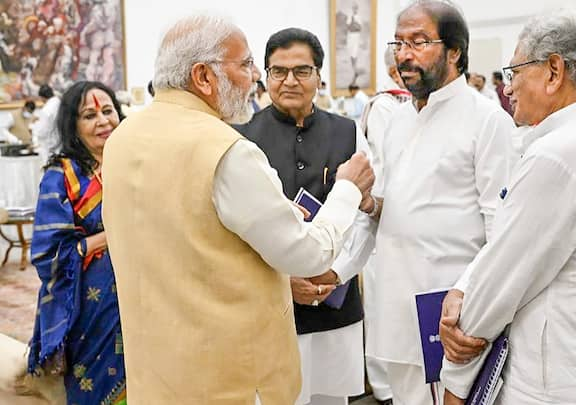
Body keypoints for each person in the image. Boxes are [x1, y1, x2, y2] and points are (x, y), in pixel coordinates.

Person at [100, 15, 374, 404]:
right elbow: (308, 254)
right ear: (203, 76)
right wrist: (346, 189)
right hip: (228, 375)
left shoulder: (123, 137)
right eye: (246, 64)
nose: (256, 77)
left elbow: (188, 230)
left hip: (159, 369)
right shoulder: (225, 148)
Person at [438, 10, 576, 405]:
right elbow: (518, 241)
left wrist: (455, 381)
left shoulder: (561, 155)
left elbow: (502, 281)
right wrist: (463, 285)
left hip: (564, 384)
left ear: (554, 71)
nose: (508, 89)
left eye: (514, 73)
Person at [350, 2, 516, 403]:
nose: (403, 54)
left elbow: (504, 232)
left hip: (450, 316)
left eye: (419, 42)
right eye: (399, 43)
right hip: (395, 305)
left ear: (455, 51)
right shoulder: (398, 120)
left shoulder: (487, 120)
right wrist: (368, 206)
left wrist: (470, 300)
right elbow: (391, 207)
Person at [234, 27, 373, 405]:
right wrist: (284, 279)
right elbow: (237, 234)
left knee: (331, 398)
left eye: (302, 70)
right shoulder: (241, 139)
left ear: (319, 76)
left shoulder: (347, 132)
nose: (290, 81)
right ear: (264, 75)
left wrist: (335, 272)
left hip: (335, 307)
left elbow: (364, 215)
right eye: (279, 71)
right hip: (272, 311)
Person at [28, 81, 128, 405]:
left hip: (143, 294)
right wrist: (107, 238)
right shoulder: (61, 176)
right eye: (89, 115)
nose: (103, 121)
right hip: (93, 307)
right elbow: (48, 253)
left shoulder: (134, 163)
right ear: (73, 125)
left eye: (108, 110)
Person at [357, 46, 410, 405]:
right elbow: (386, 161)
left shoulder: (414, 105)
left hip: (407, 216)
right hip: (381, 211)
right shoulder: (385, 106)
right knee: (378, 301)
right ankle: (382, 385)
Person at [30, 84, 61, 164]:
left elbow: (42, 132)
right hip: (61, 145)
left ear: (41, 97)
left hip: (51, 148)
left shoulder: (47, 110)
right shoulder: (60, 104)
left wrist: (33, 124)